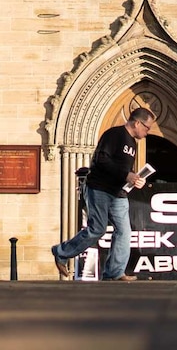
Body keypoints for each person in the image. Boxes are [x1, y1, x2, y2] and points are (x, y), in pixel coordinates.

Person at [51, 107, 156, 281]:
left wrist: (135, 178)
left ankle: (114, 272)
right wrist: (126, 175)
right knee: (97, 229)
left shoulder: (133, 144)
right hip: (100, 188)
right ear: (137, 123)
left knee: (124, 231)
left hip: (118, 192)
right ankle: (61, 252)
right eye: (147, 128)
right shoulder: (114, 135)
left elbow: (123, 169)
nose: (147, 132)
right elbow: (101, 160)